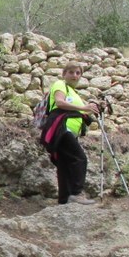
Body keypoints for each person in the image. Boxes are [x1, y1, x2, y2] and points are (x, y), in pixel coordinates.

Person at [44, 62, 100, 205]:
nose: (75, 75)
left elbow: (80, 111)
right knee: (79, 158)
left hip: (64, 131)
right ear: (64, 74)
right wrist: (84, 107)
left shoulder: (73, 92)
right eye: (71, 72)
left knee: (65, 163)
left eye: (78, 73)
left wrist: (92, 109)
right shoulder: (60, 85)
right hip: (61, 129)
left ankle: (64, 199)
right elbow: (60, 102)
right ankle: (76, 193)